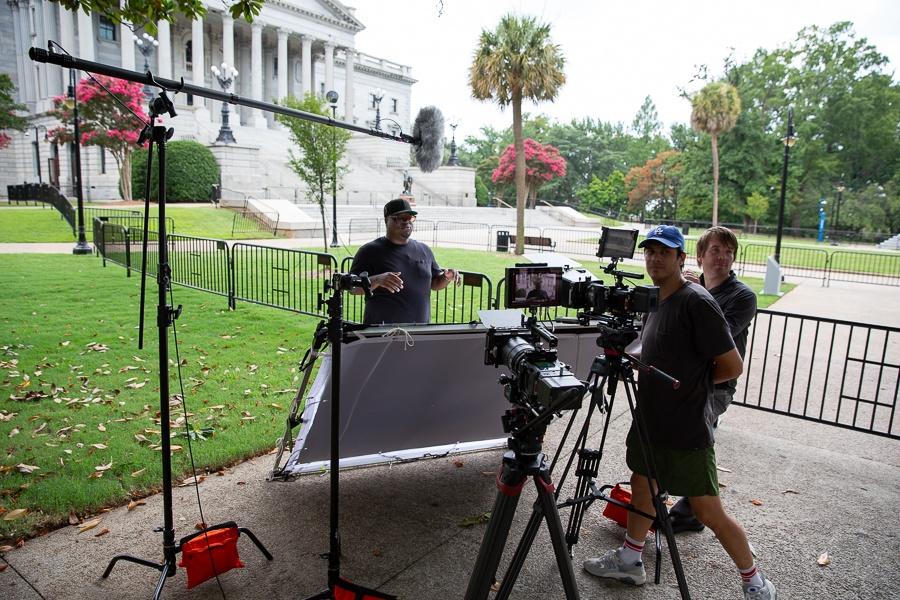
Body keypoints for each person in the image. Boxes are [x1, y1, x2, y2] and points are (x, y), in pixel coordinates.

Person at [583, 225, 776, 600]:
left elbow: (731, 366)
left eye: (664, 252)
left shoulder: (696, 301)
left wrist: (693, 388)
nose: (656, 258)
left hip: (685, 426)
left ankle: (755, 582)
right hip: (651, 418)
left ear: (681, 259)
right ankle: (630, 559)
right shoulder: (658, 300)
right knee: (642, 486)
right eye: (650, 251)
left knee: (708, 512)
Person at [669, 225, 758, 534]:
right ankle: (678, 503)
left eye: (729, 252)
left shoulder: (743, 296)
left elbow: (716, 337)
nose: (723, 257)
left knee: (695, 446)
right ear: (700, 256)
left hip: (715, 385)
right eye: (716, 251)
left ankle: (692, 511)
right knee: (676, 438)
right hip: (682, 378)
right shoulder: (688, 287)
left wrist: (698, 295)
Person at [350, 198, 459, 325]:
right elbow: (353, 288)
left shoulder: (424, 250)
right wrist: (378, 279)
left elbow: (435, 283)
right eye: (401, 218)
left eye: (410, 218)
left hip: (419, 332)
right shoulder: (369, 251)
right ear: (387, 220)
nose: (407, 221)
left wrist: (446, 277)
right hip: (382, 332)